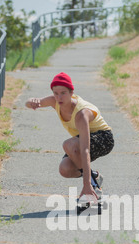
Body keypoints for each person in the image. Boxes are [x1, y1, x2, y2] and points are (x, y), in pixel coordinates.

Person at [25, 72, 114, 202]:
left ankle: (92, 186)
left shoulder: (81, 114)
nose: (59, 97)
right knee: (65, 169)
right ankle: (94, 177)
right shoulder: (54, 101)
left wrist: (86, 185)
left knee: (69, 145)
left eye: (63, 93)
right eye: (56, 93)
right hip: (83, 137)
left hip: (104, 138)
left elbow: (85, 150)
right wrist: (32, 101)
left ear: (71, 92)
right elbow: (29, 103)